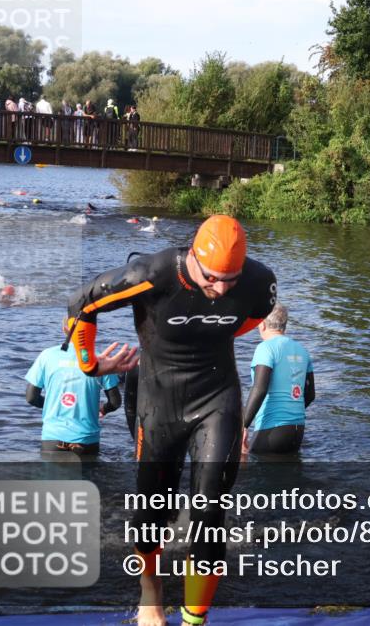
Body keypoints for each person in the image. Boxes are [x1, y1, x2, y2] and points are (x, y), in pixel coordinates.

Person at [65, 215, 277, 626]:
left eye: (230, 280)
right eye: (213, 278)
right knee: (150, 511)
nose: (221, 289)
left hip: (217, 396)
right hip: (158, 401)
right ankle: (151, 593)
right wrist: (90, 365)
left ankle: (195, 619)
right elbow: (81, 303)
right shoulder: (153, 273)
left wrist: (210, 330)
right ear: (194, 257)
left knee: (211, 509)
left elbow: (252, 316)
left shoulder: (258, 281)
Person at [25, 317, 123, 456]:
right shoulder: (99, 358)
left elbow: (31, 398)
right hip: (87, 441)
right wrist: (103, 410)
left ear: (64, 329)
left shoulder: (46, 356)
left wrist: (52, 405)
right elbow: (115, 402)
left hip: (52, 440)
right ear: (90, 330)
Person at [241, 303, 315, 456]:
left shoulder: (265, 348)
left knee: (245, 462)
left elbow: (260, 389)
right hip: (297, 431)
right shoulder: (303, 350)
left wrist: (243, 426)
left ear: (261, 324)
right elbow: (310, 395)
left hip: (271, 431)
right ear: (284, 326)